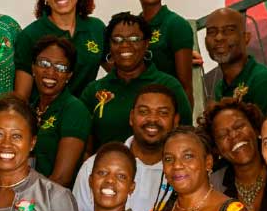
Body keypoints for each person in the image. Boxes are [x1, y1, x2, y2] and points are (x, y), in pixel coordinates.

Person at [80, 12, 191, 149]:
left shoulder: (168, 85)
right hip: (108, 168)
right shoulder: (93, 90)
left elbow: (187, 137)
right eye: (117, 39)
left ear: (146, 44)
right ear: (109, 45)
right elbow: (83, 143)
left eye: (134, 39)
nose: (125, 45)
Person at [73, 84, 178, 211]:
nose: (152, 119)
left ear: (176, 121)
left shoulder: (180, 171)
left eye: (163, 113)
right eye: (144, 112)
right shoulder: (94, 166)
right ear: (131, 117)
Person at [13, 0, 105, 100]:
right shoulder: (30, 35)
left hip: (86, 118)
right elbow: (21, 98)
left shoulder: (96, 28)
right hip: (42, 120)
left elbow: (121, 73)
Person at [125, 0, 194, 106]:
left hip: (166, 114)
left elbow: (185, 88)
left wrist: (184, 127)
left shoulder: (176, 25)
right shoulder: (132, 26)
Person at [205, 7, 267, 114]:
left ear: (246, 38)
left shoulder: (265, 82)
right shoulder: (221, 86)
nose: (219, 37)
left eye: (229, 30)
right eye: (212, 32)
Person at [30, 35, 90, 186]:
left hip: (54, 202)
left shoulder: (74, 109)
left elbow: (62, 178)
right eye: (44, 63)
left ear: (69, 75)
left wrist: (32, 205)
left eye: (60, 67)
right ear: (33, 68)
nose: (50, 72)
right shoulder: (29, 109)